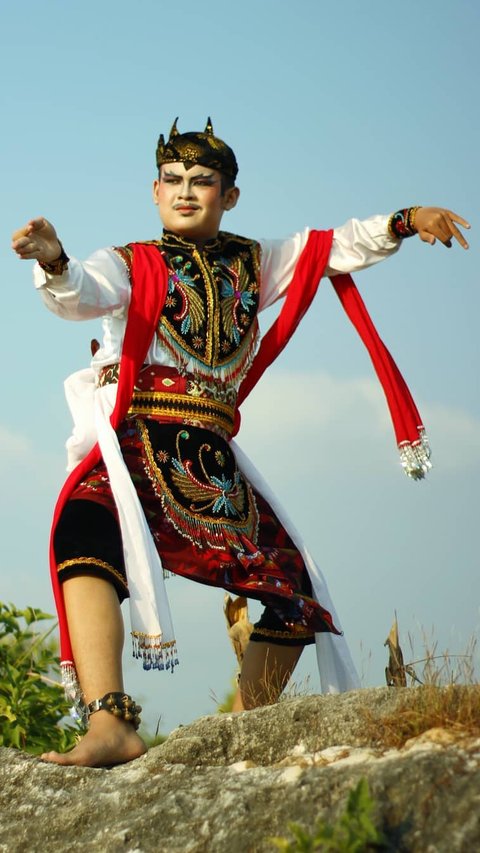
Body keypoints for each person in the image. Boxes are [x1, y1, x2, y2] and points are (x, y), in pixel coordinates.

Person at [12, 118, 470, 768]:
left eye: (203, 181)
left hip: (212, 459)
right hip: (137, 443)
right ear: (154, 190)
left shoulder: (257, 262)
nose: (186, 191)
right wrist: (54, 258)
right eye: (173, 180)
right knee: (83, 530)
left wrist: (407, 218)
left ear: (230, 194)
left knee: (293, 590)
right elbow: (81, 294)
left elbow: (335, 245)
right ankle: (109, 721)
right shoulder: (132, 262)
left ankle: (243, 731)